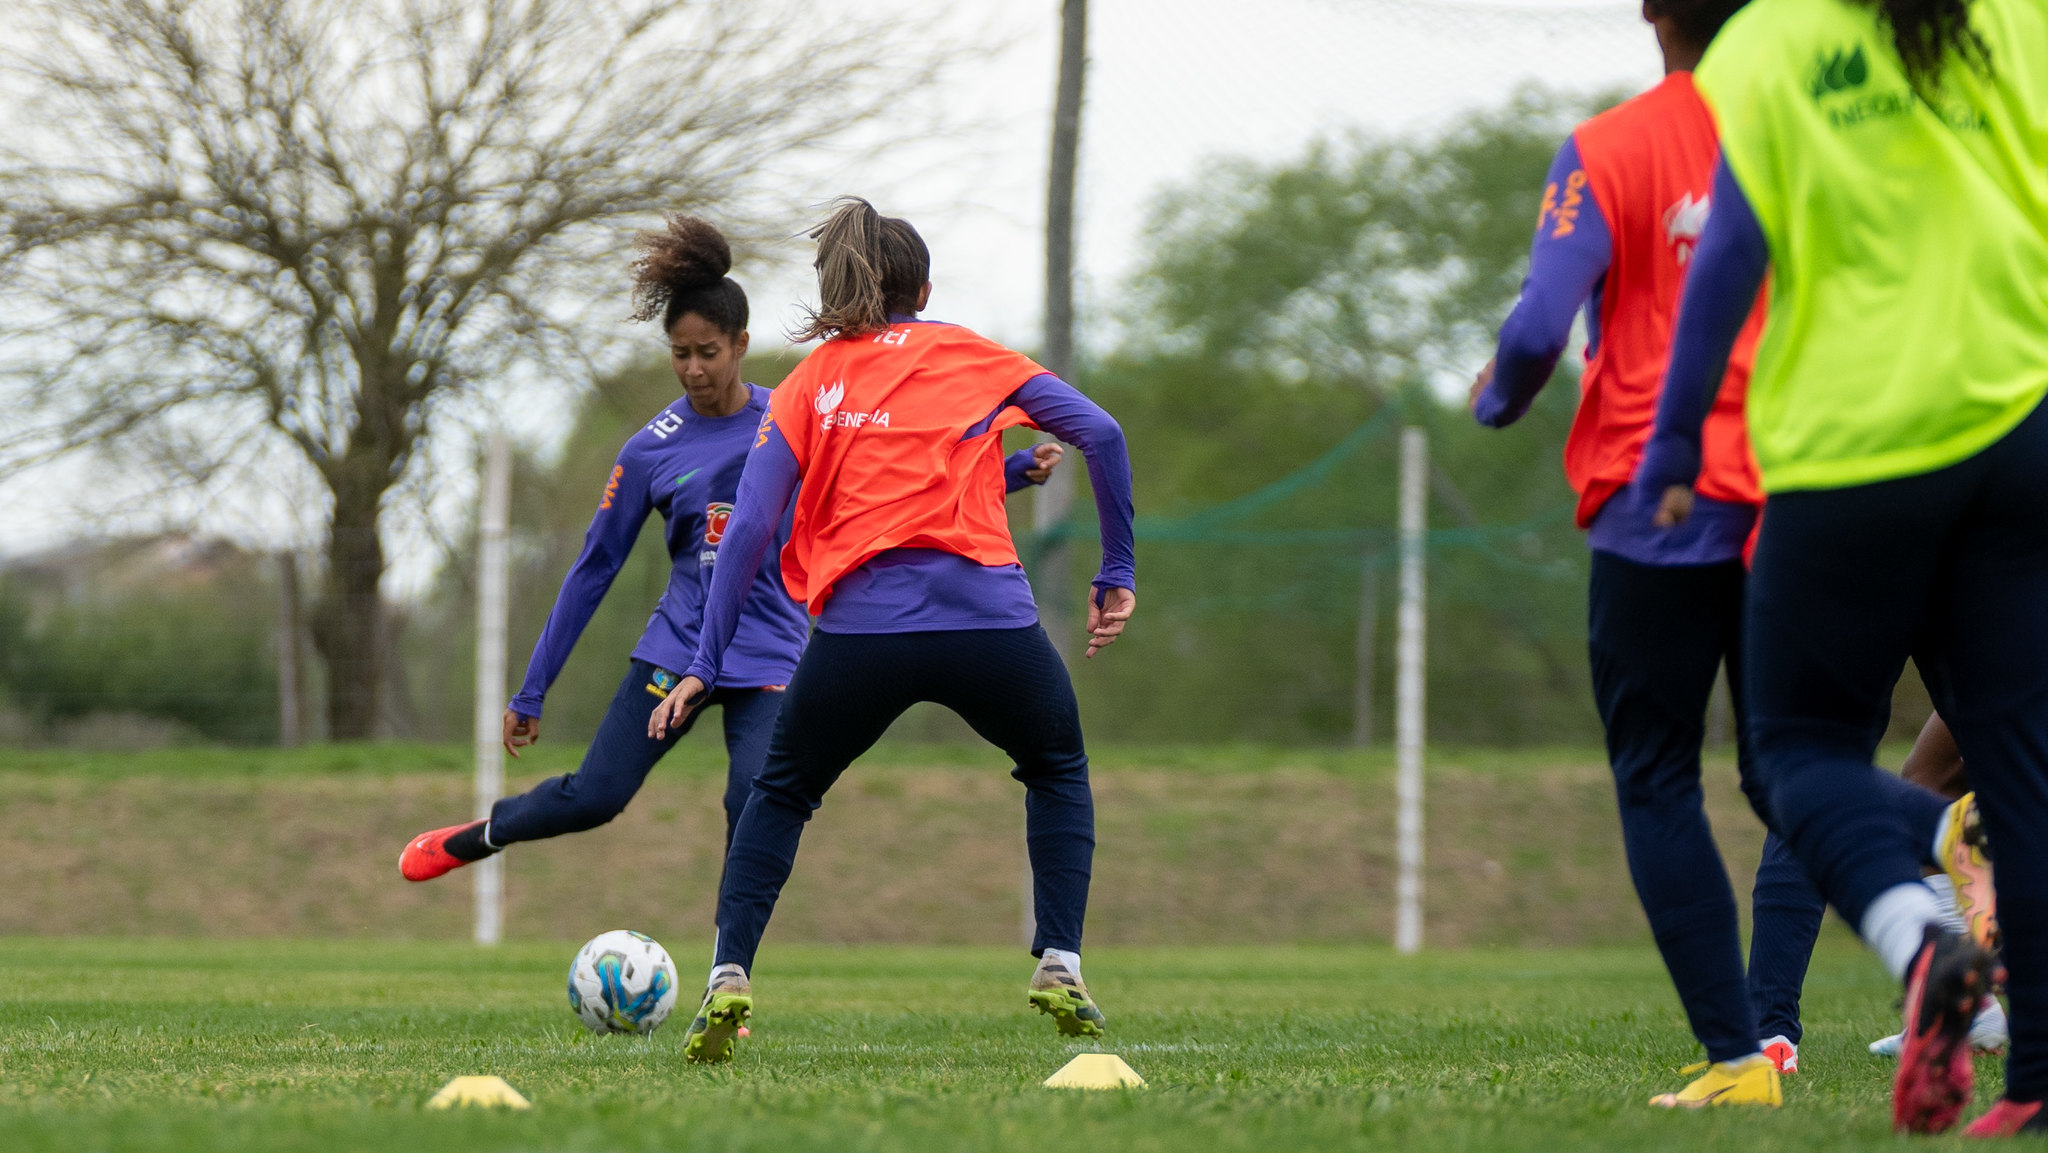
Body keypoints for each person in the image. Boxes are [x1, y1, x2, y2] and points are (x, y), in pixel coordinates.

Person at [1471, 0, 1979, 1106]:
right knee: (1794, 768)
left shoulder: (1607, 147)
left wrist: (1497, 401)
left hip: (1650, 498)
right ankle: (1953, 832)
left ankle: (1740, 1056)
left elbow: (1531, 328)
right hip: (1806, 479)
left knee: (1656, 772)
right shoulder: (1829, 122)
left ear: (1652, 14)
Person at [1640, 0, 2045, 1133]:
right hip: (2018, 424)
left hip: (1856, 447)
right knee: (2019, 753)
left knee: (1796, 750)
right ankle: (2035, 1079)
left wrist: (1673, 433)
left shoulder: (1772, 36)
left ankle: (1913, 955)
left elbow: (1732, 243)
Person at [396, 215, 1063, 883]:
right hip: (676, 648)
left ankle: (727, 972)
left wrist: (1008, 473)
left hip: (769, 653)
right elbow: (593, 569)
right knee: (596, 796)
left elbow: (887, 496)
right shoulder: (649, 450)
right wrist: (533, 688)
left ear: (739, 344)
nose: (693, 369)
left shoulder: (796, 415)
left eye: (707, 352)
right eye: (680, 354)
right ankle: (482, 834)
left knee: (754, 799)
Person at [648, 197, 1136, 1064]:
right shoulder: (974, 356)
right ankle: (1059, 958)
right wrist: (1116, 573)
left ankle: (729, 972)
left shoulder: (806, 385)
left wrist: (701, 663)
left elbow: (750, 530)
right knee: (1055, 765)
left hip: (859, 636)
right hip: (990, 623)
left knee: (784, 791)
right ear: (925, 288)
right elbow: (1101, 431)